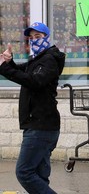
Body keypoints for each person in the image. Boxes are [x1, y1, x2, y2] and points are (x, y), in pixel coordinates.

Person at [0, 22, 65, 194]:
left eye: (38, 37)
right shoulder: (37, 59)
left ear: (46, 38)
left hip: (41, 127)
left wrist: (4, 68)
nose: (34, 41)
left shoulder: (49, 60)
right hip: (41, 126)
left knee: (24, 172)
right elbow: (23, 72)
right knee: (39, 176)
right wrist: (9, 62)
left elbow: (34, 81)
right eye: (31, 38)